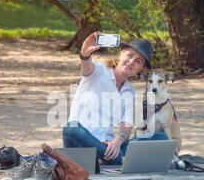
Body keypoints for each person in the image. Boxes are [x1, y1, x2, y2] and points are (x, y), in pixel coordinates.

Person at [62, 32, 168, 165]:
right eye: (130, 55)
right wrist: (84, 54)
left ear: (142, 69)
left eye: (138, 61)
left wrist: (117, 141)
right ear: (121, 54)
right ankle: (120, 160)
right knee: (71, 128)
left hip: (108, 147)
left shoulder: (129, 92)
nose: (131, 62)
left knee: (160, 137)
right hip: (80, 143)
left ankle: (105, 159)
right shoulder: (99, 71)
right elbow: (87, 66)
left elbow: (126, 128)